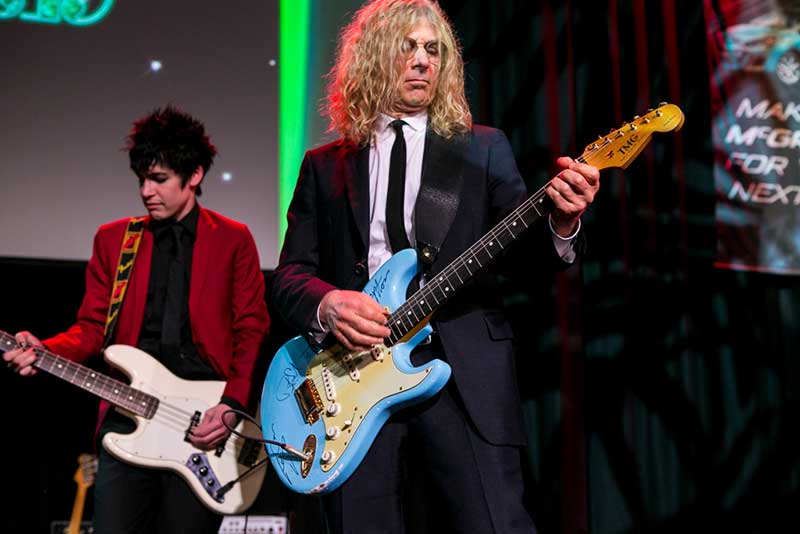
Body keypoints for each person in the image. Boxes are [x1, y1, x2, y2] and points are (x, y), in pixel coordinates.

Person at [271, 1, 599, 532]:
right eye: (408, 47)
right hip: (351, 384)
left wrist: (562, 222)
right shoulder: (323, 166)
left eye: (433, 49)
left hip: (462, 375)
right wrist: (328, 305)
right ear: (374, 56)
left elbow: (526, 259)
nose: (423, 60)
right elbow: (288, 278)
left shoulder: (482, 148)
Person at [2, 106, 270, 534]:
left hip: (204, 422)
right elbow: (93, 329)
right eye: (141, 179)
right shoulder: (114, 240)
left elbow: (251, 328)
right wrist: (45, 349)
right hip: (128, 415)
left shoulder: (233, 240)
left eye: (159, 179)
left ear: (195, 175)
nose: (146, 191)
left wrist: (232, 406)